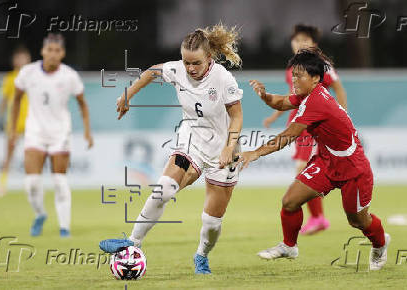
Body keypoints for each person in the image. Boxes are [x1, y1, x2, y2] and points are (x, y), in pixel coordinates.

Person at [99, 24, 244, 274]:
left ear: (209, 58)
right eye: (186, 62)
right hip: (191, 142)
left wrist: (229, 147)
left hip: (223, 150)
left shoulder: (222, 78)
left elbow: (237, 116)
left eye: (196, 63)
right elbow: (150, 73)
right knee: (163, 189)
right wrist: (127, 96)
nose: (190, 68)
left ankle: (201, 255)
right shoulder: (176, 70)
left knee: (211, 222)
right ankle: (132, 242)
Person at [238, 48, 389, 271]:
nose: (294, 79)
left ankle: (380, 244)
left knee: (358, 221)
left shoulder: (317, 101)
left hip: (353, 169)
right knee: (290, 202)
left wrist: (255, 152)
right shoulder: (307, 95)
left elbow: (289, 135)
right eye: (294, 74)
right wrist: (264, 95)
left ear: (316, 78)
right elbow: (280, 103)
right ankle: (289, 246)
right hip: (326, 162)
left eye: (299, 75)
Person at [263, 24, 347, 235]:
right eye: (296, 39)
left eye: (304, 39)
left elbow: (338, 88)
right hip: (299, 124)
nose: (299, 43)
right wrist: (275, 115)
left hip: (313, 123)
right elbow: (293, 96)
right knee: (304, 169)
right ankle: (317, 217)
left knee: (304, 169)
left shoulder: (322, 65)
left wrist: (343, 116)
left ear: (314, 44)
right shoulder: (292, 68)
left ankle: (318, 218)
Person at [10, 33, 93, 237]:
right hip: (35, 132)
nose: (53, 54)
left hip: (60, 133)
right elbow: (17, 100)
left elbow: (82, 104)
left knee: (59, 180)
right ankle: (40, 214)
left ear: (62, 53)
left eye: (57, 50)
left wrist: (87, 131)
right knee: (31, 183)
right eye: (49, 50)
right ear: (42, 51)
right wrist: (13, 130)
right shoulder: (27, 73)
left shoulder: (69, 76)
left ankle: (64, 228)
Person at [0, 46, 31, 197]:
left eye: (24, 57)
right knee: (9, 155)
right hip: (14, 123)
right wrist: (0, 118)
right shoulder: (10, 78)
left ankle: (31, 186)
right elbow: (4, 100)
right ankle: (2, 185)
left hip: (31, 122)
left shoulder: (33, 77)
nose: (21, 60)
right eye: (19, 58)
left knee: (31, 155)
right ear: (14, 60)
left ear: (28, 59)